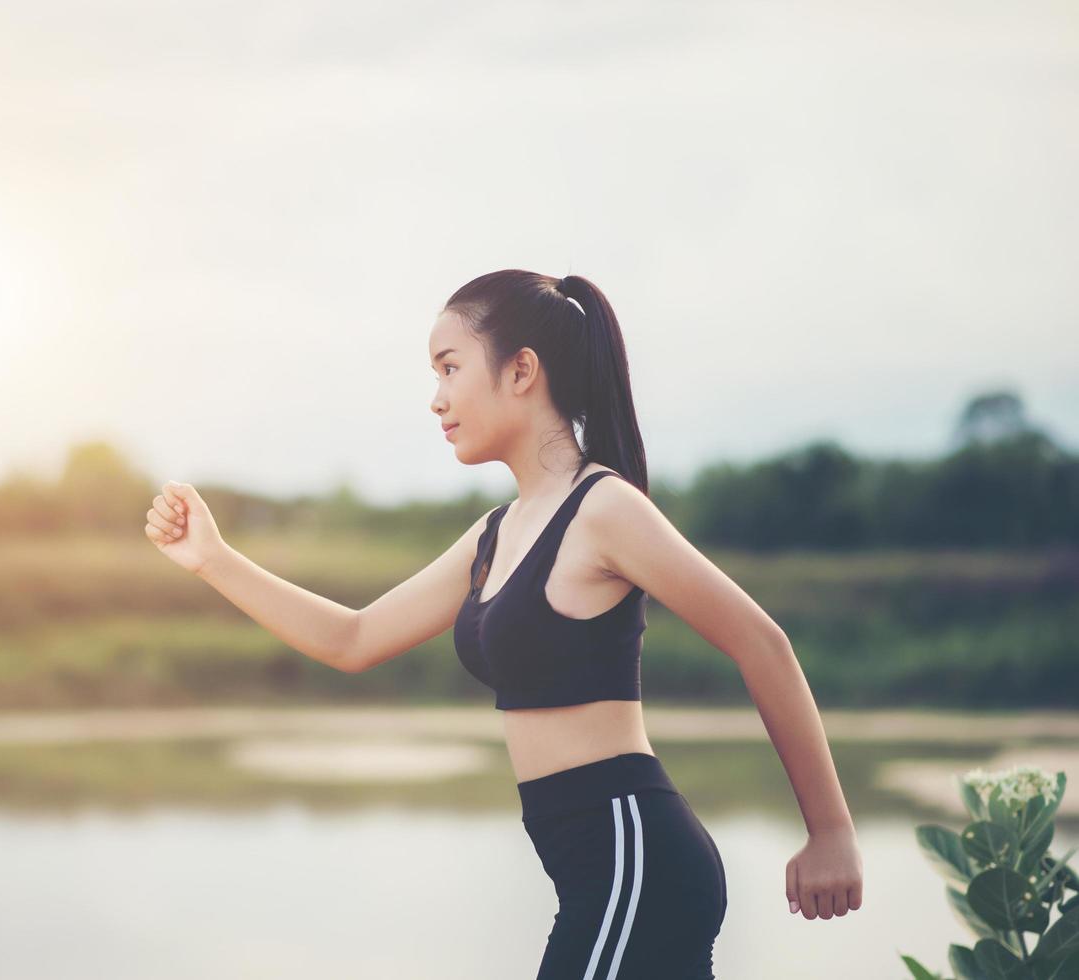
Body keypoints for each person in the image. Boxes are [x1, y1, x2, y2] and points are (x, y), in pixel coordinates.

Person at [143, 269, 864, 978]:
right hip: (594, 874)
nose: (436, 399)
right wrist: (212, 559)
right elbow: (352, 639)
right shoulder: (496, 534)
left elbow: (759, 640)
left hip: (631, 864)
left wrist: (829, 832)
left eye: (448, 368)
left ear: (521, 370)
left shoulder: (603, 509)